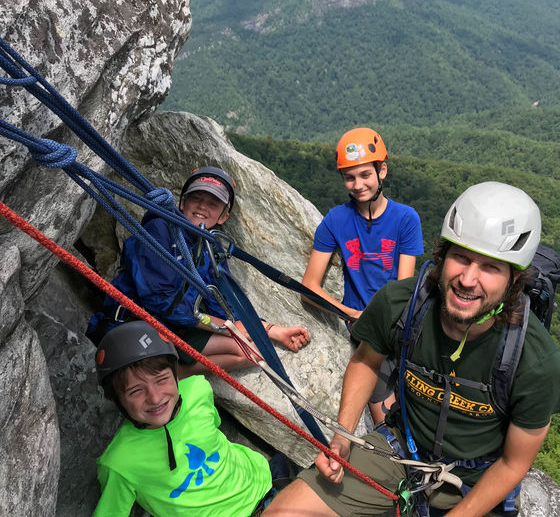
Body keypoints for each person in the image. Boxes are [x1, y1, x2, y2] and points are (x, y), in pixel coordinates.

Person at [266, 182, 560, 516]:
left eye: (490, 267)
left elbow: (513, 464)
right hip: (398, 454)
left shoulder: (534, 361)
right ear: (442, 256)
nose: (468, 279)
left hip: (474, 481)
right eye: (461, 257)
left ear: (514, 280)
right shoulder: (402, 304)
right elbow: (366, 362)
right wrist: (341, 438)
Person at [88, 166, 309, 377]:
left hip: (174, 326)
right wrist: (219, 326)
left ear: (223, 216)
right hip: (135, 324)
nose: (203, 206)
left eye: (213, 203)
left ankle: (178, 373)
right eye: (197, 198)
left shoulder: (210, 247)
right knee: (247, 347)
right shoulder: (160, 229)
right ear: (182, 202)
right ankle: (171, 374)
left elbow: (223, 303)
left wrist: (271, 330)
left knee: (254, 352)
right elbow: (160, 299)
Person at [93, 320, 279, 516]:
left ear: (175, 375)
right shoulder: (119, 463)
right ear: (118, 400)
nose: (155, 398)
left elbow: (213, 431)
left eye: (162, 379)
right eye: (136, 391)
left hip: (263, 482)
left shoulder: (197, 389)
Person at [301, 128, 423, 423]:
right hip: (362, 328)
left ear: (382, 171)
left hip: (398, 320)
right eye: (349, 177)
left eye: (365, 175)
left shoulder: (406, 219)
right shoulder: (335, 221)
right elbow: (308, 286)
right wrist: (349, 313)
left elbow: (404, 287)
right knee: (387, 414)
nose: (357, 185)